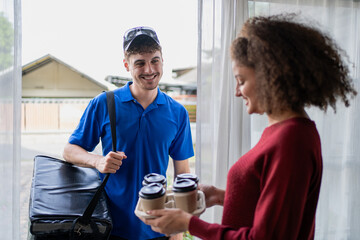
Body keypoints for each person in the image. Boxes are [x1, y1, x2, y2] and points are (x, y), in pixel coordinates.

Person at [140, 14, 358, 239]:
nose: (237, 91)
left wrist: (190, 224)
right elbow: (272, 209)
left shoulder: (292, 140)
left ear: (270, 75)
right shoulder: (286, 132)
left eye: (241, 80)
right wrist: (217, 196)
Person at [63, 26, 194, 240]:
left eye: (155, 60)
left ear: (163, 60)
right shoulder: (105, 103)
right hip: (109, 227)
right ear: (126, 65)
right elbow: (69, 150)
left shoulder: (177, 113)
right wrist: (98, 161)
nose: (149, 69)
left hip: (158, 227)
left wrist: (178, 227)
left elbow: (183, 173)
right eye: (140, 62)